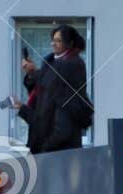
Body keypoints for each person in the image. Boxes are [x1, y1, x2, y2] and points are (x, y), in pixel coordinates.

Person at [10, 23, 92, 154]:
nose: (53, 44)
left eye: (58, 40)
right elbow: (45, 90)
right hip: (49, 141)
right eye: (53, 40)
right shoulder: (55, 63)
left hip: (58, 147)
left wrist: (46, 146)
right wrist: (33, 73)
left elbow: (50, 88)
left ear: (70, 43)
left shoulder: (71, 64)